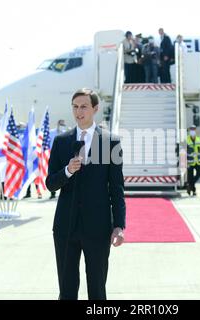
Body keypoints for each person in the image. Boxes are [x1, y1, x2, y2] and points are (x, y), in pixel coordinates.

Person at [46, 88, 126, 300]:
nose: (78, 111)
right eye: (75, 107)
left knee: (97, 289)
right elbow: (50, 184)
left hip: (98, 228)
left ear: (95, 109)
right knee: (67, 290)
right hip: (66, 226)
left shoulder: (111, 142)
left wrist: (119, 225)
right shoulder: (61, 141)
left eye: (83, 107)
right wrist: (67, 171)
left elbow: (117, 188)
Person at [48, 119, 69, 199]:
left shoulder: (65, 133)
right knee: (53, 173)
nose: (62, 126)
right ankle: (52, 193)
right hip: (52, 154)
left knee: (63, 173)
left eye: (63, 125)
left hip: (63, 156)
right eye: (61, 124)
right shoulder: (51, 132)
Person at [186, 125, 200, 196]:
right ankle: (193, 191)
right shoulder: (186, 139)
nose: (192, 131)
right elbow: (182, 151)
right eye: (191, 130)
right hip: (190, 162)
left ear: (196, 130)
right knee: (190, 176)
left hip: (198, 161)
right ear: (189, 131)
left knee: (198, 175)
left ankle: (189, 185)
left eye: (193, 129)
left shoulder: (199, 139)